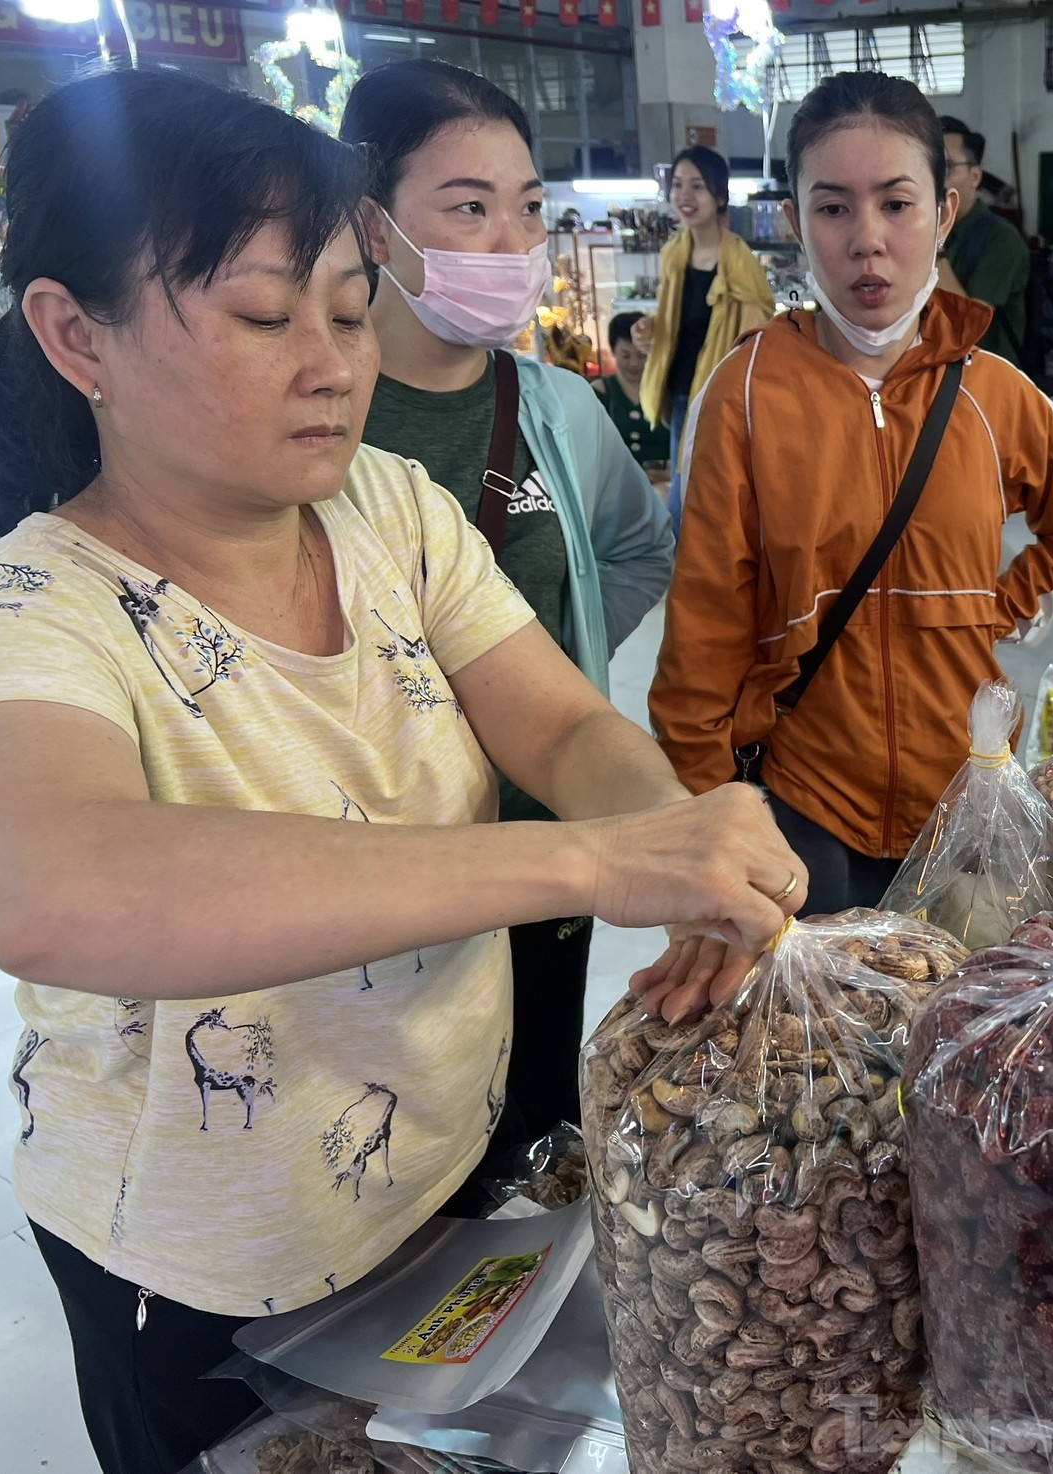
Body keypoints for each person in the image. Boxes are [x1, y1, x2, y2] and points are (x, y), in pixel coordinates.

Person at [0, 69, 802, 1474]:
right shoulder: (36, 610)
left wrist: (670, 833)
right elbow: (56, 884)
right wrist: (582, 861)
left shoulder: (384, 506)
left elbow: (554, 725)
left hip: (439, 1166)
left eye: (352, 309)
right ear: (75, 334)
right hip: (206, 1262)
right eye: (261, 314)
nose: (333, 361)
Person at [651, 71, 1053, 917]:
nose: (867, 240)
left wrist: (986, 611)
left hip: (965, 802)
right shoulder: (746, 392)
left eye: (896, 204)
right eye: (833, 208)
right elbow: (705, 626)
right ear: (794, 222)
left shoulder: (997, 391)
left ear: (944, 212)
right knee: (826, 1043)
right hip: (803, 805)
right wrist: (706, 811)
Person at [341, 60, 678, 1153]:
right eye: (468, 207)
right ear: (372, 223)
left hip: (547, 823)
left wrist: (553, 677)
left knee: (532, 1098)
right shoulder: (321, 420)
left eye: (528, 207)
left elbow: (633, 546)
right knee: (393, 1117)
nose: (510, 242)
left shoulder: (557, 405)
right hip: (378, 860)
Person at [637, 144, 775, 531]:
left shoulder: (739, 261)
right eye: (678, 184)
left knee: (692, 498)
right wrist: (648, 330)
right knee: (689, 492)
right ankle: (688, 576)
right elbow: (675, 323)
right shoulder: (674, 254)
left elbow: (756, 335)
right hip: (682, 391)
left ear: (719, 196)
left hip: (718, 399)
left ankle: (686, 576)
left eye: (697, 186)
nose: (684, 196)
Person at [936, 115, 1030, 364]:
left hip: (986, 387)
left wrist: (934, 247)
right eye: (925, 166)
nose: (933, 179)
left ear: (975, 176)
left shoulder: (1002, 239)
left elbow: (967, 327)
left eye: (945, 167)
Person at [599, 310, 673, 475]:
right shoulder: (599, 392)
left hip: (665, 483)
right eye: (625, 356)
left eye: (641, 356)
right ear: (613, 351)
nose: (634, 363)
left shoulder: (667, 391)